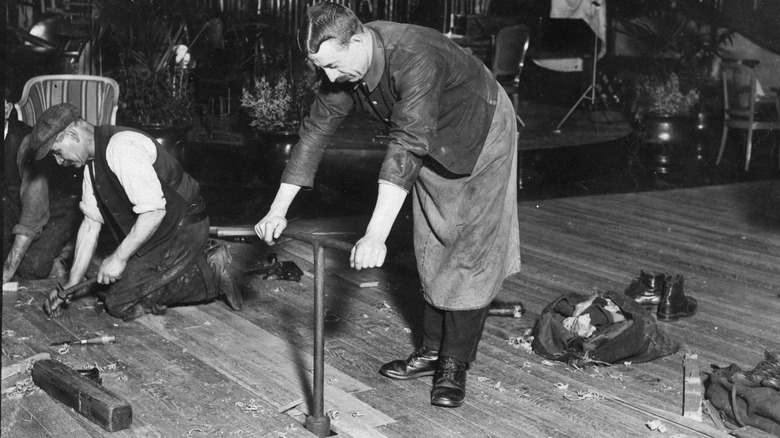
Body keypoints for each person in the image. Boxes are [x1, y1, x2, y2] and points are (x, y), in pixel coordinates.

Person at [254, 2, 520, 408]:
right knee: (432, 235)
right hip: (432, 135)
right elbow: (313, 134)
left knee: (469, 245)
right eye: (320, 68)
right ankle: (432, 351)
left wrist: (375, 234)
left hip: (481, 129)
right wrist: (278, 209)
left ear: (358, 40)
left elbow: (407, 145)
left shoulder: (414, 56)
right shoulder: (343, 64)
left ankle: (454, 362)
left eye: (334, 66)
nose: (329, 78)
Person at [30, 103, 243, 320]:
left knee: (118, 302)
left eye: (57, 152)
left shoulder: (121, 148)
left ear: (71, 134)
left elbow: (154, 213)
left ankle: (212, 270)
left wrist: (119, 258)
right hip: (160, 229)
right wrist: (70, 285)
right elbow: (90, 224)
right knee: (106, 281)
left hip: (184, 227)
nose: (59, 161)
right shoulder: (91, 166)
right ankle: (171, 275)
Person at [3, 89, 81, 284]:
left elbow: (33, 212)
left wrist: (7, 271)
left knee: (31, 267)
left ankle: (68, 246)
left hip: (56, 206)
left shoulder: (27, 143)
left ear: (6, 109)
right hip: (13, 204)